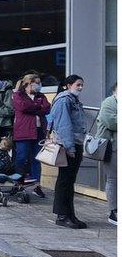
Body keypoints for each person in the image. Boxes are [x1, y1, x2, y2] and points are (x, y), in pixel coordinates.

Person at [50, 75, 88, 229]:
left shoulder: (73, 100)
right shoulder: (64, 100)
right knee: (65, 181)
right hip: (67, 146)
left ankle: (70, 214)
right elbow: (64, 125)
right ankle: (62, 216)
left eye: (82, 85)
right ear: (67, 85)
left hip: (74, 144)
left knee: (69, 181)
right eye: (78, 85)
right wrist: (70, 148)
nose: (80, 88)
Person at [12, 74, 50, 199]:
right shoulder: (18, 95)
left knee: (36, 159)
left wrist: (34, 108)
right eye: (36, 83)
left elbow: (47, 108)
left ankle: (36, 185)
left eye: (39, 83)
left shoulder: (41, 96)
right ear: (28, 83)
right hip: (23, 131)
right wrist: (37, 107)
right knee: (21, 157)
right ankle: (17, 182)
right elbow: (22, 106)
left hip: (39, 131)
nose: (39, 85)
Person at [94, 85, 117, 224]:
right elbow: (111, 122)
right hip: (113, 147)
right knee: (113, 179)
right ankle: (114, 211)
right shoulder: (109, 102)